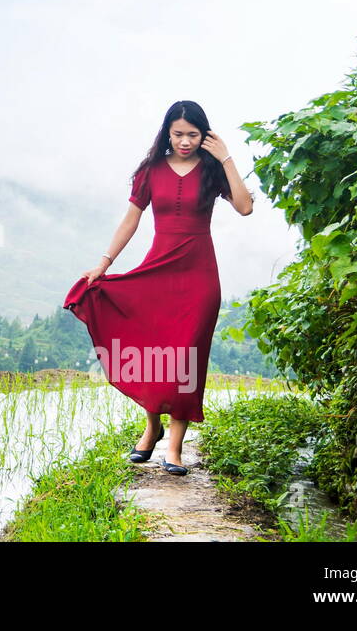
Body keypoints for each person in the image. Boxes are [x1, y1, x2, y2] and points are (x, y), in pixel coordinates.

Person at [63, 101, 254, 476]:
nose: (185, 141)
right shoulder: (150, 171)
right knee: (156, 352)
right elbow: (131, 220)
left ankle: (175, 448)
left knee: (186, 356)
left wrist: (227, 157)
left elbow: (245, 207)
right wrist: (103, 264)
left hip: (200, 276)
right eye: (179, 134)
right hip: (158, 271)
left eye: (193, 135)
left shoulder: (214, 170)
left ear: (205, 135)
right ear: (167, 131)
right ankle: (152, 427)